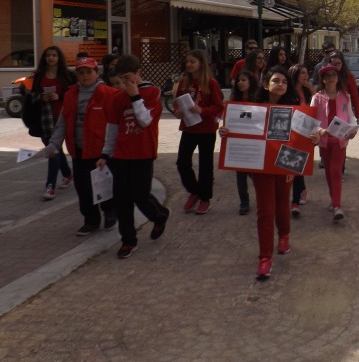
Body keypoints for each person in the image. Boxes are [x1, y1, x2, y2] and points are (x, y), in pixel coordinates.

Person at [222, 66, 317, 280]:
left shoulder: (295, 109)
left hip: (284, 163)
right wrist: (226, 131)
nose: (280, 84)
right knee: (265, 210)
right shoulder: (253, 108)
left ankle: (284, 235)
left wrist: (314, 138)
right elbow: (236, 129)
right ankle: (265, 258)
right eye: (276, 80)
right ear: (266, 84)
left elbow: (307, 135)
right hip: (260, 166)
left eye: (284, 81)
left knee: (282, 204)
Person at [98, 54, 170, 260]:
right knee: (122, 200)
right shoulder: (117, 97)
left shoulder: (153, 92)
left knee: (141, 195)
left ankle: (159, 215)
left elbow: (145, 120)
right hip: (120, 154)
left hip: (143, 153)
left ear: (138, 73)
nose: (126, 83)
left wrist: (135, 96)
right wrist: (105, 153)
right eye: (122, 78)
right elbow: (112, 127)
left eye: (130, 77)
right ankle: (128, 240)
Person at [44, 57, 118, 236]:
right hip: (79, 150)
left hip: (101, 151)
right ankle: (91, 220)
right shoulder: (70, 95)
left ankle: (110, 212)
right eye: (81, 73)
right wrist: (54, 144)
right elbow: (62, 122)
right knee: (83, 188)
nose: (85, 76)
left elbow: (115, 124)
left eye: (88, 72)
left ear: (97, 73)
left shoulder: (109, 94)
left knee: (105, 185)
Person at [174, 49, 224, 216]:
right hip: (188, 127)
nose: (189, 64)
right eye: (187, 61)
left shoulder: (211, 83)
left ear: (201, 63)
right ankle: (194, 190)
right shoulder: (183, 82)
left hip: (206, 128)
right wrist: (177, 111)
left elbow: (218, 106)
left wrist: (202, 110)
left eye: (192, 62)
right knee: (182, 162)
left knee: (205, 164)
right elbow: (177, 103)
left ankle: (204, 198)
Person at [311, 64, 359, 221]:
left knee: (335, 171)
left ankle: (337, 205)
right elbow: (311, 121)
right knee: (328, 172)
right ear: (323, 80)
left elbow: (350, 116)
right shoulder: (317, 97)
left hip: (340, 140)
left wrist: (353, 129)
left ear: (338, 78)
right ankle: (334, 200)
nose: (331, 78)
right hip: (324, 141)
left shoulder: (345, 96)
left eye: (333, 75)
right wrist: (319, 131)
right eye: (327, 76)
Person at [30, 45, 76, 199]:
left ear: (59, 58)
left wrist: (59, 96)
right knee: (54, 150)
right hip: (45, 119)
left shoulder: (67, 75)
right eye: (48, 55)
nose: (51, 58)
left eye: (54, 55)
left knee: (52, 151)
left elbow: (74, 93)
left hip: (62, 117)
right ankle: (68, 174)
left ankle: (50, 186)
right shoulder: (39, 75)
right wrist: (41, 97)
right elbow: (32, 95)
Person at [230, 69, 259, 215]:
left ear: (251, 82)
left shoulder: (258, 100)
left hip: (255, 144)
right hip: (239, 143)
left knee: (256, 175)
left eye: (243, 80)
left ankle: (262, 199)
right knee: (240, 175)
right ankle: (244, 202)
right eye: (238, 80)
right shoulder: (234, 100)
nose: (240, 83)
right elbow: (229, 121)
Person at [288, 62, 315, 216]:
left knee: (299, 165)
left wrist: (312, 91)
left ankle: (296, 200)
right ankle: (298, 196)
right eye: (302, 73)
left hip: (305, 133)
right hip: (291, 133)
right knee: (294, 166)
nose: (306, 76)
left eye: (307, 73)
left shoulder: (307, 91)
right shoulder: (289, 92)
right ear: (295, 75)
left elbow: (315, 108)